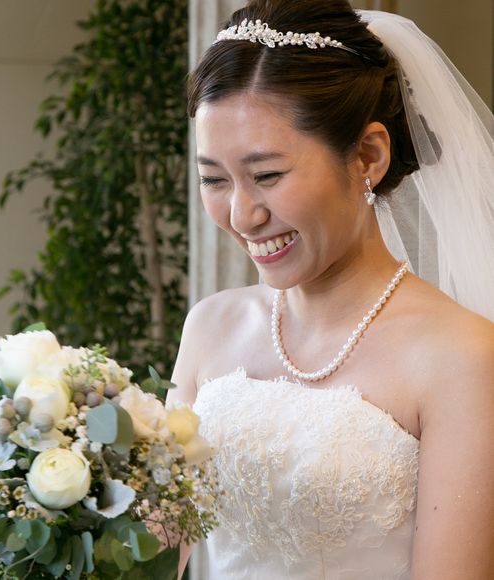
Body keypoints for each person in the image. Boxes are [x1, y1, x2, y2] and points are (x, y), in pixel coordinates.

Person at [166, 1, 494, 578]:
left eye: (267, 175)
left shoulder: (462, 356)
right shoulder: (210, 325)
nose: (242, 215)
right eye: (213, 179)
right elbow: (153, 550)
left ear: (368, 156)